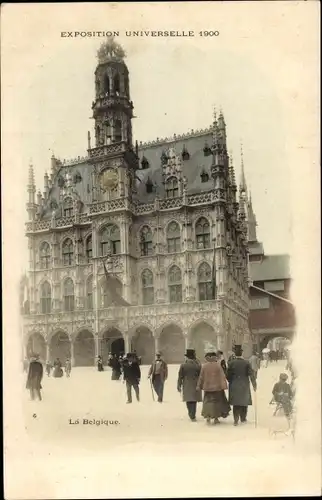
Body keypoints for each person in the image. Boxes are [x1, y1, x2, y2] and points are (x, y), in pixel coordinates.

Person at [196, 351, 230, 425]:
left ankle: (208, 417)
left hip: (207, 388)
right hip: (217, 388)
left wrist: (199, 386)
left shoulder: (204, 366)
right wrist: (224, 386)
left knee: (207, 402)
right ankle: (216, 418)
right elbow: (222, 376)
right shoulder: (218, 366)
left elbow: (201, 377)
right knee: (216, 403)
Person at [227, 345, 257, 426]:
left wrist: (231, 381)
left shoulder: (231, 363)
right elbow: (251, 374)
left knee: (236, 403)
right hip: (244, 384)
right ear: (241, 353)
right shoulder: (246, 362)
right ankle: (243, 418)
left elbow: (228, 375)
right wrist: (254, 385)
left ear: (235, 353)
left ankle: (236, 420)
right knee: (244, 402)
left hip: (234, 385)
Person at [177, 349, 202, 421]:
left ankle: (191, 414)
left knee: (188, 400)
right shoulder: (197, 364)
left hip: (187, 384)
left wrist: (179, 385)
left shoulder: (184, 365)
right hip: (196, 384)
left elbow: (180, 376)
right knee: (194, 401)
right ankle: (192, 415)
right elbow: (201, 374)